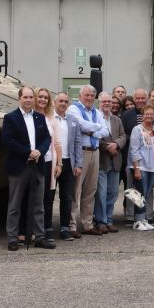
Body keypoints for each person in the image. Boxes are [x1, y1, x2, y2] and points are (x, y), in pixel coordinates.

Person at [2, 86, 53, 251]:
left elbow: (47, 138)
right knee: (15, 204)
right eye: (26, 97)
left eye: (31, 97)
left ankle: (39, 237)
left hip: (37, 165)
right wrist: (28, 153)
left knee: (39, 204)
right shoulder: (10, 118)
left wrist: (40, 151)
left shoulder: (39, 117)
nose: (29, 100)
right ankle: (12, 238)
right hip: (19, 166)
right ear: (19, 98)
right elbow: (8, 141)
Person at [66, 85, 109, 237]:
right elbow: (80, 125)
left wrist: (92, 131)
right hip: (81, 153)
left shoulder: (97, 112)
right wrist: (97, 129)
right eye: (87, 95)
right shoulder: (73, 109)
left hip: (94, 153)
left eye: (92, 95)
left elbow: (106, 130)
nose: (90, 98)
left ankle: (87, 224)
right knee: (75, 190)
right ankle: (71, 226)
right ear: (80, 95)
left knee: (90, 190)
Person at [53, 92, 83, 241]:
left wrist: (78, 164)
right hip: (52, 162)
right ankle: (46, 228)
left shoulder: (72, 120)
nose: (63, 104)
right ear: (54, 103)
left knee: (67, 197)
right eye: (60, 101)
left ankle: (65, 228)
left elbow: (78, 143)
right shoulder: (48, 119)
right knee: (49, 197)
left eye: (66, 101)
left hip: (68, 162)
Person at [95, 92, 126, 234]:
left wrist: (117, 144)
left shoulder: (116, 120)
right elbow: (93, 136)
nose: (107, 104)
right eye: (104, 101)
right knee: (101, 194)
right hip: (102, 161)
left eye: (109, 101)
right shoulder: (95, 118)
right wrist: (108, 147)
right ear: (99, 102)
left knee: (113, 193)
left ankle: (108, 220)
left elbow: (123, 135)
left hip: (115, 162)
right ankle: (100, 222)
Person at [34, 87, 61, 244]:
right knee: (34, 197)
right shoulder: (31, 117)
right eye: (40, 97)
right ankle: (34, 230)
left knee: (48, 197)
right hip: (35, 162)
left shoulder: (52, 118)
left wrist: (59, 164)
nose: (43, 99)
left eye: (46, 97)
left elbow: (57, 142)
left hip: (50, 162)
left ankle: (47, 228)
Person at [129, 105, 154, 231]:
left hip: (152, 166)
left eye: (151, 114)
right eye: (146, 114)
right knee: (139, 195)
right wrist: (136, 168)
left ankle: (144, 220)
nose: (149, 116)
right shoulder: (137, 129)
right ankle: (137, 221)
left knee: (146, 194)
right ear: (142, 116)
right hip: (141, 166)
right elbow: (134, 149)